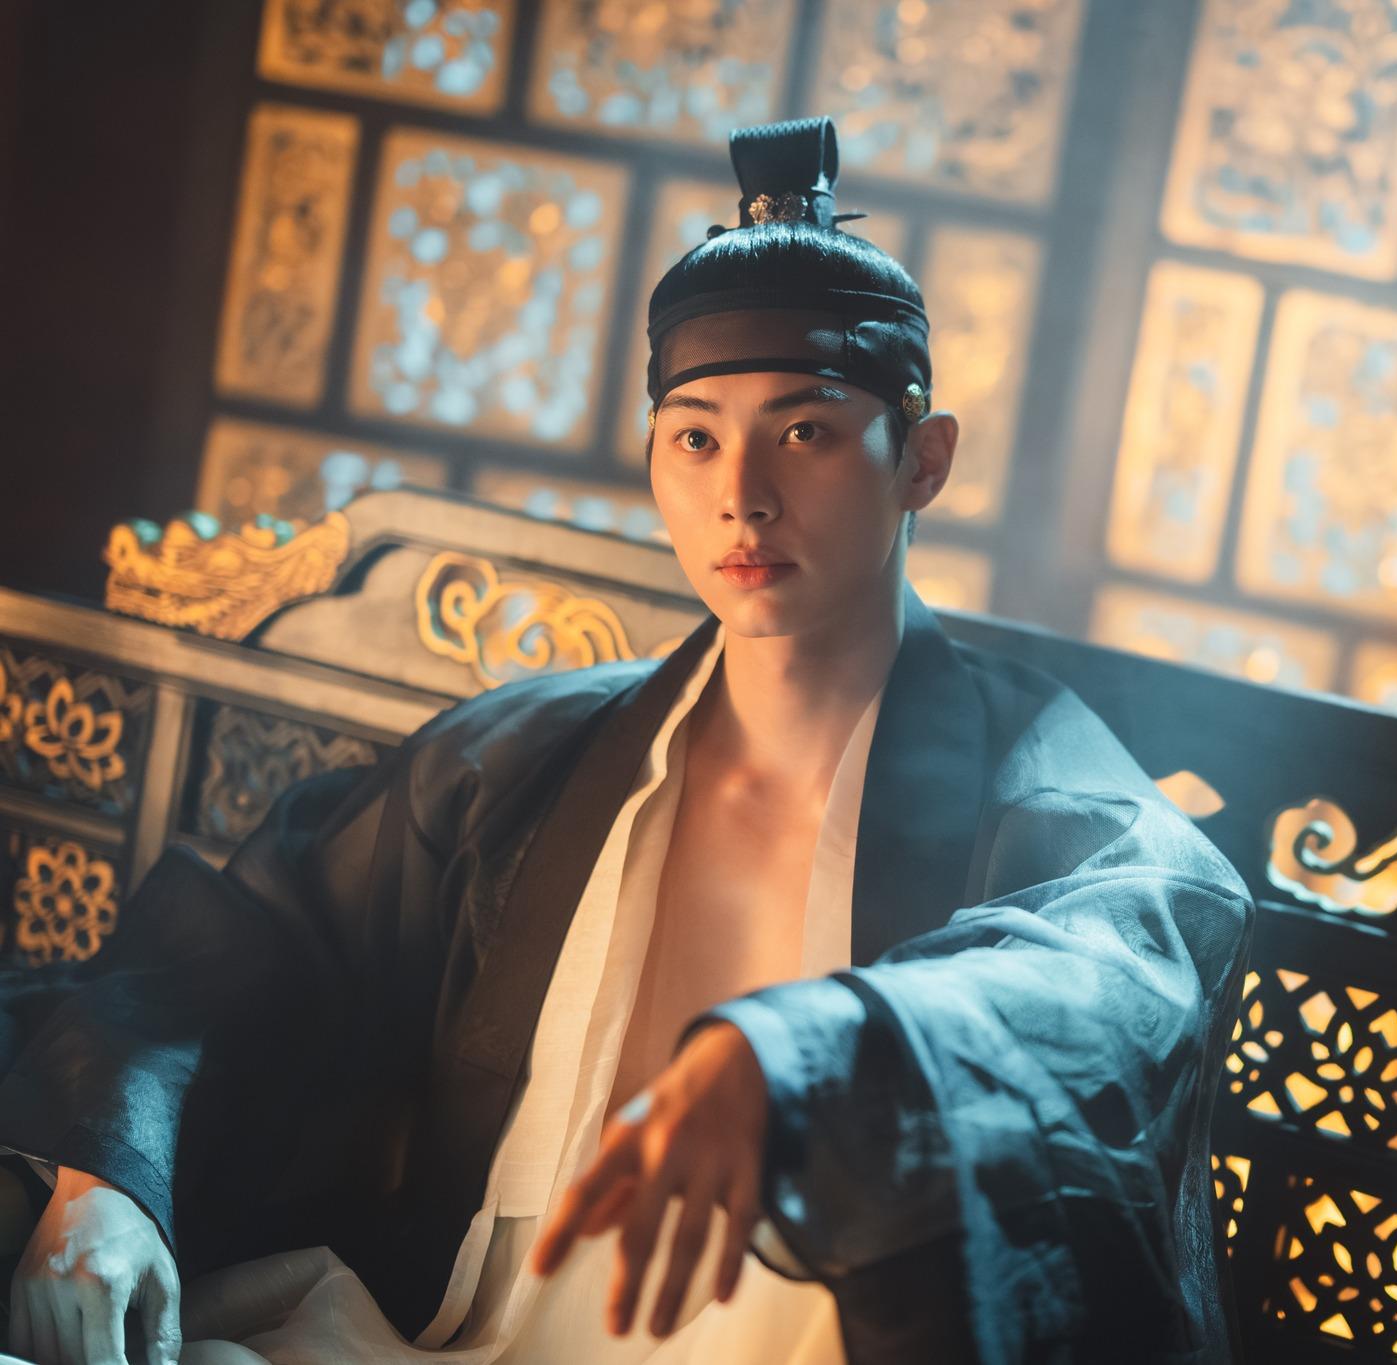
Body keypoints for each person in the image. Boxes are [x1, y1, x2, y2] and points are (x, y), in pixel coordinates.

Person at [0, 117, 1252, 1365]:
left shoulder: (1037, 779)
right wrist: (108, 1179)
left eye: (806, 432)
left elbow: (1120, 963)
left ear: (922, 459)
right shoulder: (525, 761)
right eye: (695, 436)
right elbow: (242, 951)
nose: (741, 495)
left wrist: (808, 1058)